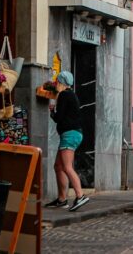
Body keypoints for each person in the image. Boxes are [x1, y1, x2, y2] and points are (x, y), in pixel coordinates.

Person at [45, 71, 89, 211]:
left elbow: (59, 118)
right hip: (72, 134)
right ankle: (62, 199)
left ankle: (80, 196)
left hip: (70, 135)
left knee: (67, 167)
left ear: (61, 82)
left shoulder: (64, 95)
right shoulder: (71, 94)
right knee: (58, 166)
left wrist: (52, 112)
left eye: (57, 81)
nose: (56, 84)